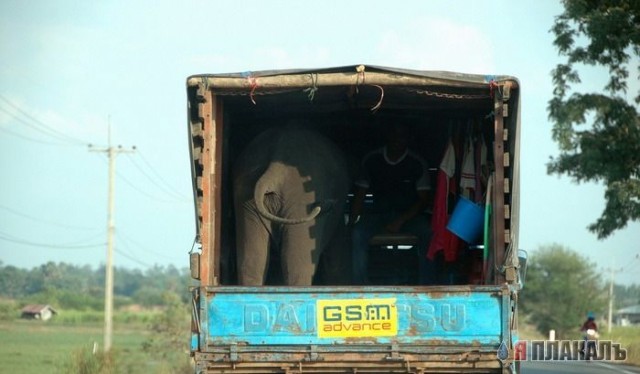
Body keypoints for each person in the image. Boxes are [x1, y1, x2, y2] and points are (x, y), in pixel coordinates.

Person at [348, 122, 432, 285]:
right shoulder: (372, 159)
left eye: (402, 136)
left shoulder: (417, 163)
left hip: (409, 217)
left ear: (408, 139)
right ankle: (359, 286)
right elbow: (360, 195)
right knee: (357, 234)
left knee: (428, 232)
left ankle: (427, 284)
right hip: (378, 215)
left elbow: (424, 200)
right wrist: (352, 221)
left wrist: (400, 221)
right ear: (388, 136)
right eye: (394, 135)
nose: (397, 140)